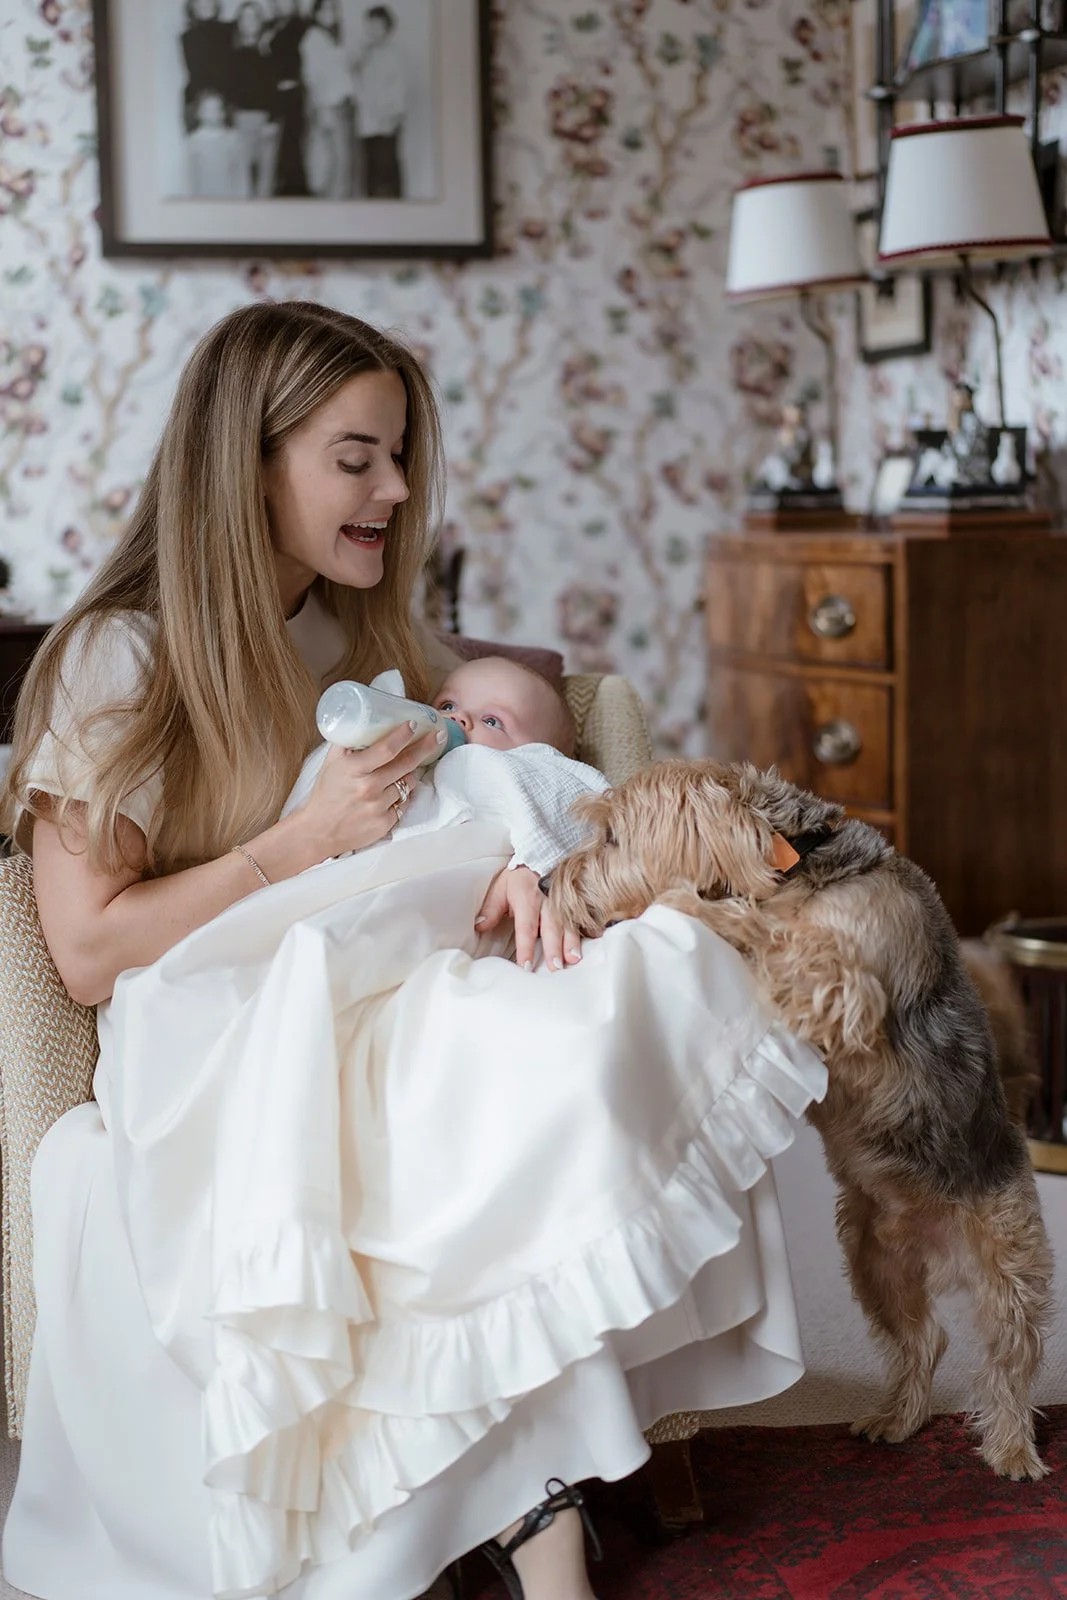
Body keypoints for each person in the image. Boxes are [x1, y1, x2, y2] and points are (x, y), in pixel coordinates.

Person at [0, 301, 827, 1600]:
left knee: (650, 976)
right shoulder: (117, 658)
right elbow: (91, 951)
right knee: (476, 1076)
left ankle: (522, 1473)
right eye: (356, 456)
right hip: (211, 1034)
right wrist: (308, 841)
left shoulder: (353, 633)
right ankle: (524, 1498)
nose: (394, 488)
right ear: (250, 462)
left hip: (372, 981)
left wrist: (513, 865)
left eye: (398, 455)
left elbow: (477, 778)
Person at [283, 655, 609, 906]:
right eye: (448, 705)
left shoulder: (521, 776)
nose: (458, 718)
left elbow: (574, 809)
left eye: (492, 720)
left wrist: (537, 863)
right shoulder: (405, 766)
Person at [229, 0, 283, 199]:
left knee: (266, 181)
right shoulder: (231, 54)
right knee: (242, 178)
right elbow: (230, 91)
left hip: (267, 120)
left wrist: (272, 120)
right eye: (245, 17)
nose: (250, 21)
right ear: (239, 22)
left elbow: (276, 90)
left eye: (254, 17)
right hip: (241, 119)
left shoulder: (270, 54)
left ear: (261, 21)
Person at [351, 4, 406, 198]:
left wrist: (394, 116)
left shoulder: (395, 55)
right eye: (369, 25)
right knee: (369, 172)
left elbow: (399, 90)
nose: (372, 29)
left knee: (388, 169)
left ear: (387, 27)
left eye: (377, 24)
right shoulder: (364, 54)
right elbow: (355, 84)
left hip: (387, 121)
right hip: (367, 123)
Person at [301, 0, 355, 198]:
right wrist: (321, 110)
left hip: (343, 106)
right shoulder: (314, 38)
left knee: (342, 161)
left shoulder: (334, 38)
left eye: (334, 8)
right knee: (334, 161)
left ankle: (337, 203)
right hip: (329, 106)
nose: (330, 12)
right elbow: (313, 78)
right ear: (316, 13)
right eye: (325, 8)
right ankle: (332, 207)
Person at [263, 0, 314, 196]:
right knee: (278, 146)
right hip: (274, 95)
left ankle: (296, 191)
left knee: (292, 143)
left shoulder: (299, 26)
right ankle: (282, 189)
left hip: (292, 93)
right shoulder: (272, 26)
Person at [184, 89, 249, 200]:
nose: (213, 113)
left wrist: (243, 198)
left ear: (223, 113)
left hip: (230, 201)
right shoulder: (191, 142)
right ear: (199, 113)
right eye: (208, 109)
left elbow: (241, 175)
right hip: (202, 201)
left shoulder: (233, 139)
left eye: (216, 109)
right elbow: (189, 178)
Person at [180, 0, 232, 136]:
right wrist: (207, 106)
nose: (205, 5)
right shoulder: (188, 37)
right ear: (192, 7)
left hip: (226, 99)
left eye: (209, 1)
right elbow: (197, 71)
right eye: (200, 2)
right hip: (197, 100)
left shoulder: (229, 31)